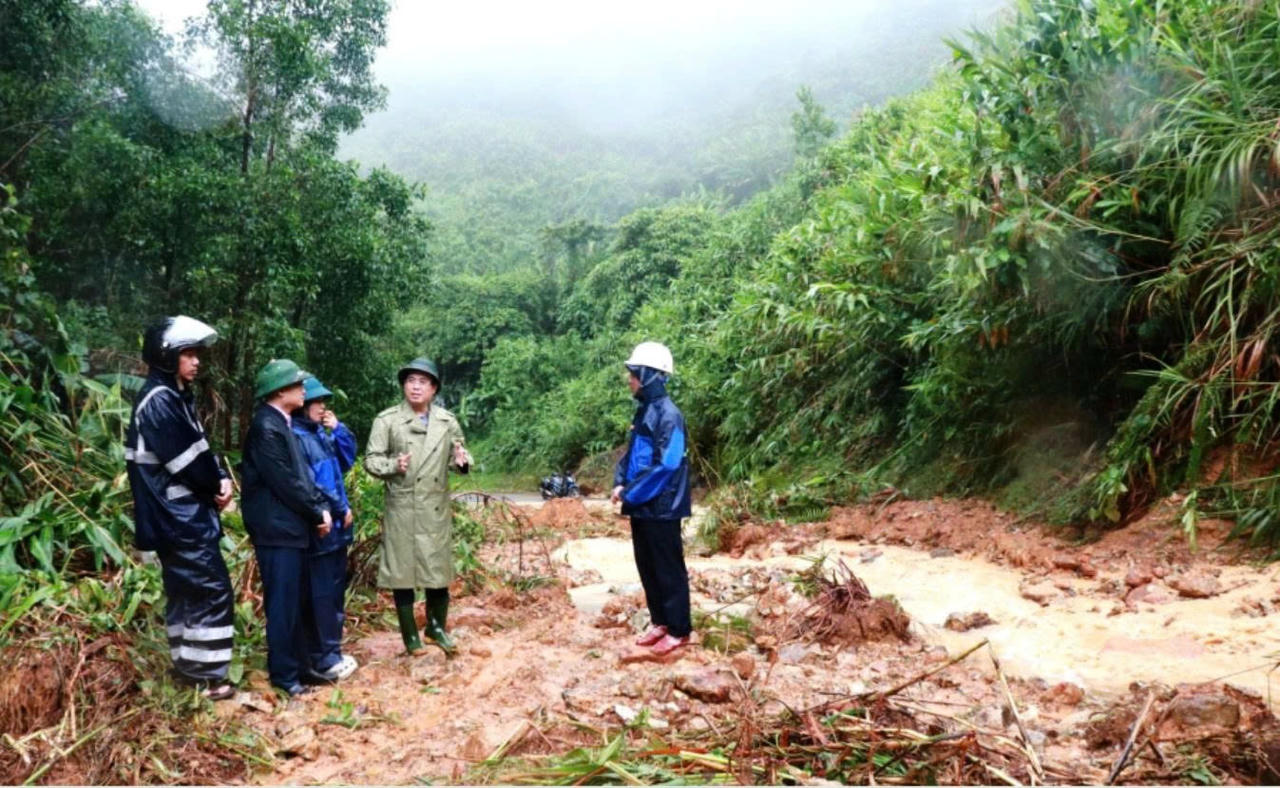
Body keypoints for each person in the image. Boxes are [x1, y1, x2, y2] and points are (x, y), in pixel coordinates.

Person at [125, 316, 236, 700]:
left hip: (180, 517)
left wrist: (219, 476)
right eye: (188, 354)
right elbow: (188, 462)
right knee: (210, 589)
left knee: (187, 592)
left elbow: (200, 451)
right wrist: (215, 484)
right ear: (167, 357)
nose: (196, 361)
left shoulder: (173, 397)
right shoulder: (160, 401)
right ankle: (207, 678)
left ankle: (190, 671)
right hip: (181, 518)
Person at [364, 357, 471, 656]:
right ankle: (410, 634)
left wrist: (461, 461)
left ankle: (436, 628)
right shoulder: (387, 420)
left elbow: (459, 453)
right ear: (403, 386)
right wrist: (393, 465)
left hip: (434, 508)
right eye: (410, 381)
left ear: (434, 388)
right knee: (403, 573)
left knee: (438, 570)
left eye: (423, 382)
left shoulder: (447, 421)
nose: (415, 386)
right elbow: (371, 460)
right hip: (403, 507)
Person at [240, 359, 332, 696]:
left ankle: (302, 668)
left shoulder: (283, 423)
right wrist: (316, 513)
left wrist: (318, 509)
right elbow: (286, 482)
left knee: (299, 601)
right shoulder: (266, 427)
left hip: (291, 529)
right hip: (277, 530)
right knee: (283, 603)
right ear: (279, 391)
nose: (304, 390)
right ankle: (284, 676)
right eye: (297, 384)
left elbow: (302, 478)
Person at [611, 342, 693, 656]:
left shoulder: (670, 415)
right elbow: (631, 455)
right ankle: (660, 621)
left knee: (668, 567)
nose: (629, 380)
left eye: (633, 374)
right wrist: (620, 482)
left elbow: (667, 464)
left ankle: (680, 629)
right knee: (647, 565)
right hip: (643, 506)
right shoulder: (644, 410)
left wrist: (630, 492)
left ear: (649, 376)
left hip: (662, 506)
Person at [291, 376, 359, 681]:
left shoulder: (319, 435)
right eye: (317, 402)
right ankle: (324, 658)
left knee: (332, 593)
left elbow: (345, 461)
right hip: (321, 528)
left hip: (335, 531)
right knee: (320, 595)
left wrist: (339, 429)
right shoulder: (296, 438)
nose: (322, 407)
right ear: (302, 406)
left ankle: (331, 652)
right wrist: (338, 508)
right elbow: (313, 486)